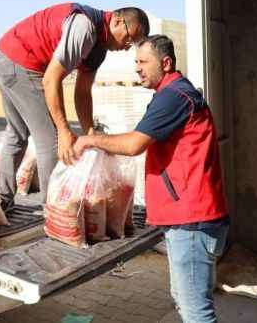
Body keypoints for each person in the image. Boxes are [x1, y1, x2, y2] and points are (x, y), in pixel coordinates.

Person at [73, 35, 229, 323]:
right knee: (185, 301)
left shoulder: (174, 97)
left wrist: (89, 141)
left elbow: (134, 145)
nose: (138, 69)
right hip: (188, 217)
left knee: (197, 312)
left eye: (144, 62)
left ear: (166, 63)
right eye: (136, 62)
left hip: (191, 220)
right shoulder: (173, 94)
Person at [0, 2, 149, 208]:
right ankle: (54, 210)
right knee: (54, 140)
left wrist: (91, 134)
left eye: (133, 44)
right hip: (20, 61)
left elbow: (83, 93)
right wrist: (64, 130)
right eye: (128, 37)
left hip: (5, 56)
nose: (127, 46)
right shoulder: (85, 28)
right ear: (117, 21)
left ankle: (1, 199)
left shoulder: (99, 50)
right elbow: (51, 79)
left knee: (17, 133)